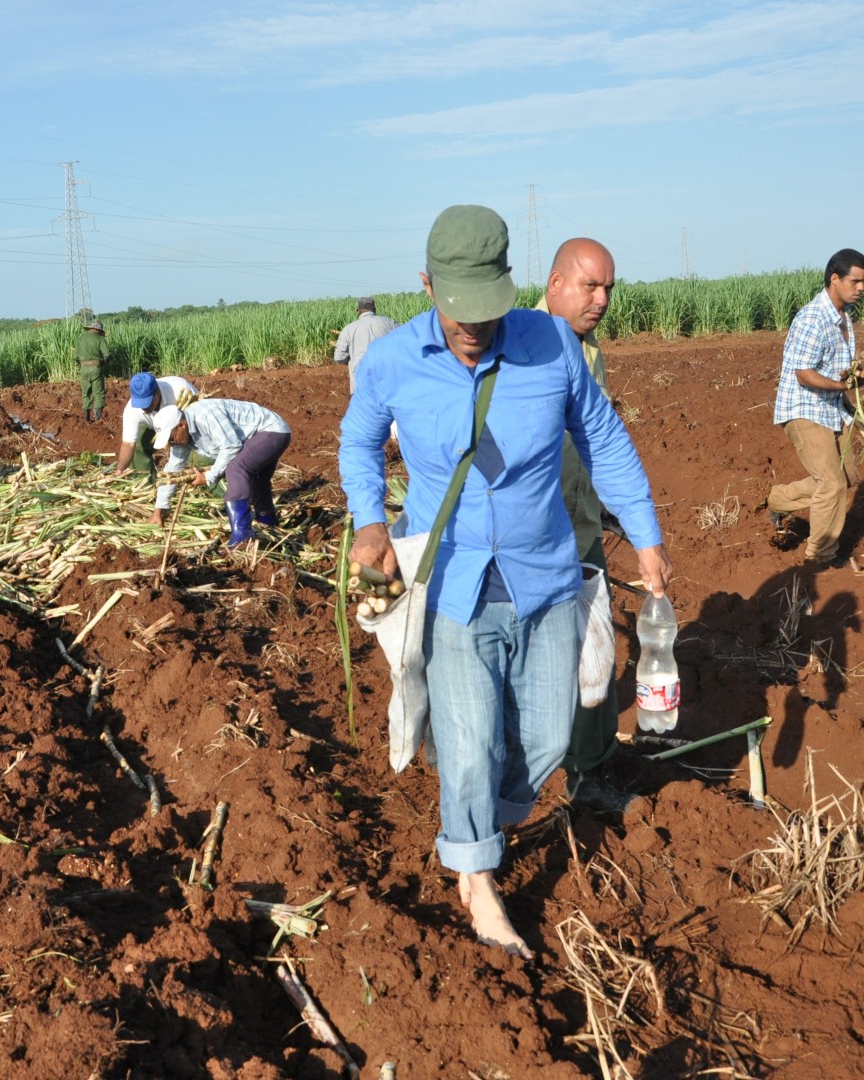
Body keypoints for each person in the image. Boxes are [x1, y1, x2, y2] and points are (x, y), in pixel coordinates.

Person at [340, 205, 670, 958]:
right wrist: (368, 519)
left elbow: (605, 440)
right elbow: (357, 439)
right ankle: (477, 875)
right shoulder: (393, 359)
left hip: (544, 577)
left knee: (547, 735)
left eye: (487, 308)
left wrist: (645, 535)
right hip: (453, 581)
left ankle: (483, 817)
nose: (473, 326)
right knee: (467, 740)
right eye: (458, 309)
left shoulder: (550, 343)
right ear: (428, 285)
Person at [535, 238, 639, 817]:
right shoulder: (522, 344)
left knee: (594, 652)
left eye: (608, 289)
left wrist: (617, 504)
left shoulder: (588, 346)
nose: (601, 300)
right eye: (589, 287)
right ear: (554, 284)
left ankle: (589, 770)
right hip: (530, 537)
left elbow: (593, 437)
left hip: (580, 526)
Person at [763, 249, 864, 567]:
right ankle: (819, 557)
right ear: (835, 279)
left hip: (831, 406)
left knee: (846, 475)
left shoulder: (844, 318)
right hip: (803, 407)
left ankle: (778, 499)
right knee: (831, 482)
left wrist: (856, 378)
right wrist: (843, 386)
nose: (861, 288)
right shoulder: (813, 317)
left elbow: (835, 368)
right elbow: (803, 372)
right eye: (856, 281)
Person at [151, 398, 291, 548]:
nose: (171, 444)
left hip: (271, 430)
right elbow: (173, 468)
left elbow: (231, 446)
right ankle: (268, 525)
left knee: (235, 469)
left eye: (171, 439)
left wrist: (208, 477)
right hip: (262, 436)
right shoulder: (181, 437)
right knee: (257, 479)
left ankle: (242, 538)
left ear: (181, 425)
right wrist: (159, 508)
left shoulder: (204, 415)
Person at [115, 370, 200, 524]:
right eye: (139, 404)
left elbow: (198, 423)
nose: (143, 409)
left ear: (157, 393)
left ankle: (198, 485)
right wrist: (119, 471)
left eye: (147, 403)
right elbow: (128, 444)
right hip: (154, 425)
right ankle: (146, 487)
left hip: (184, 421)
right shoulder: (134, 410)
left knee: (197, 455)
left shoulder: (180, 390)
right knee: (139, 446)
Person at [334, 297, 398, 394]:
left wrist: (352, 359)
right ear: (374, 309)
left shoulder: (348, 329)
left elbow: (338, 357)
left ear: (358, 311)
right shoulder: (388, 323)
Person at [76, 319, 109, 423]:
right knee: (98, 392)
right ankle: (98, 418)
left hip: (84, 368)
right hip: (96, 368)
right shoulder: (100, 339)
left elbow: (75, 357)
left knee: (86, 393)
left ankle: (86, 418)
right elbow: (107, 355)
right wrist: (103, 363)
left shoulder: (80, 339)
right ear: (98, 330)